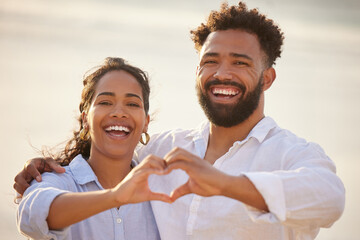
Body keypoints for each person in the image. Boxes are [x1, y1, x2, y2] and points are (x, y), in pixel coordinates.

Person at [14, 2, 345, 240]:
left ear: (267, 78)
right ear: (198, 71)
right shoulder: (166, 149)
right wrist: (47, 165)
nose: (222, 73)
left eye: (240, 62)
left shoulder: (292, 154)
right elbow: (109, 156)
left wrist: (224, 183)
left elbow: (331, 198)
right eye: (210, 61)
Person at [16, 57, 171, 240]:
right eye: (105, 102)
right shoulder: (56, 180)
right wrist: (115, 196)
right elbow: (33, 216)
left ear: (146, 122)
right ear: (85, 120)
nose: (119, 112)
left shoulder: (161, 191)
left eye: (132, 104)